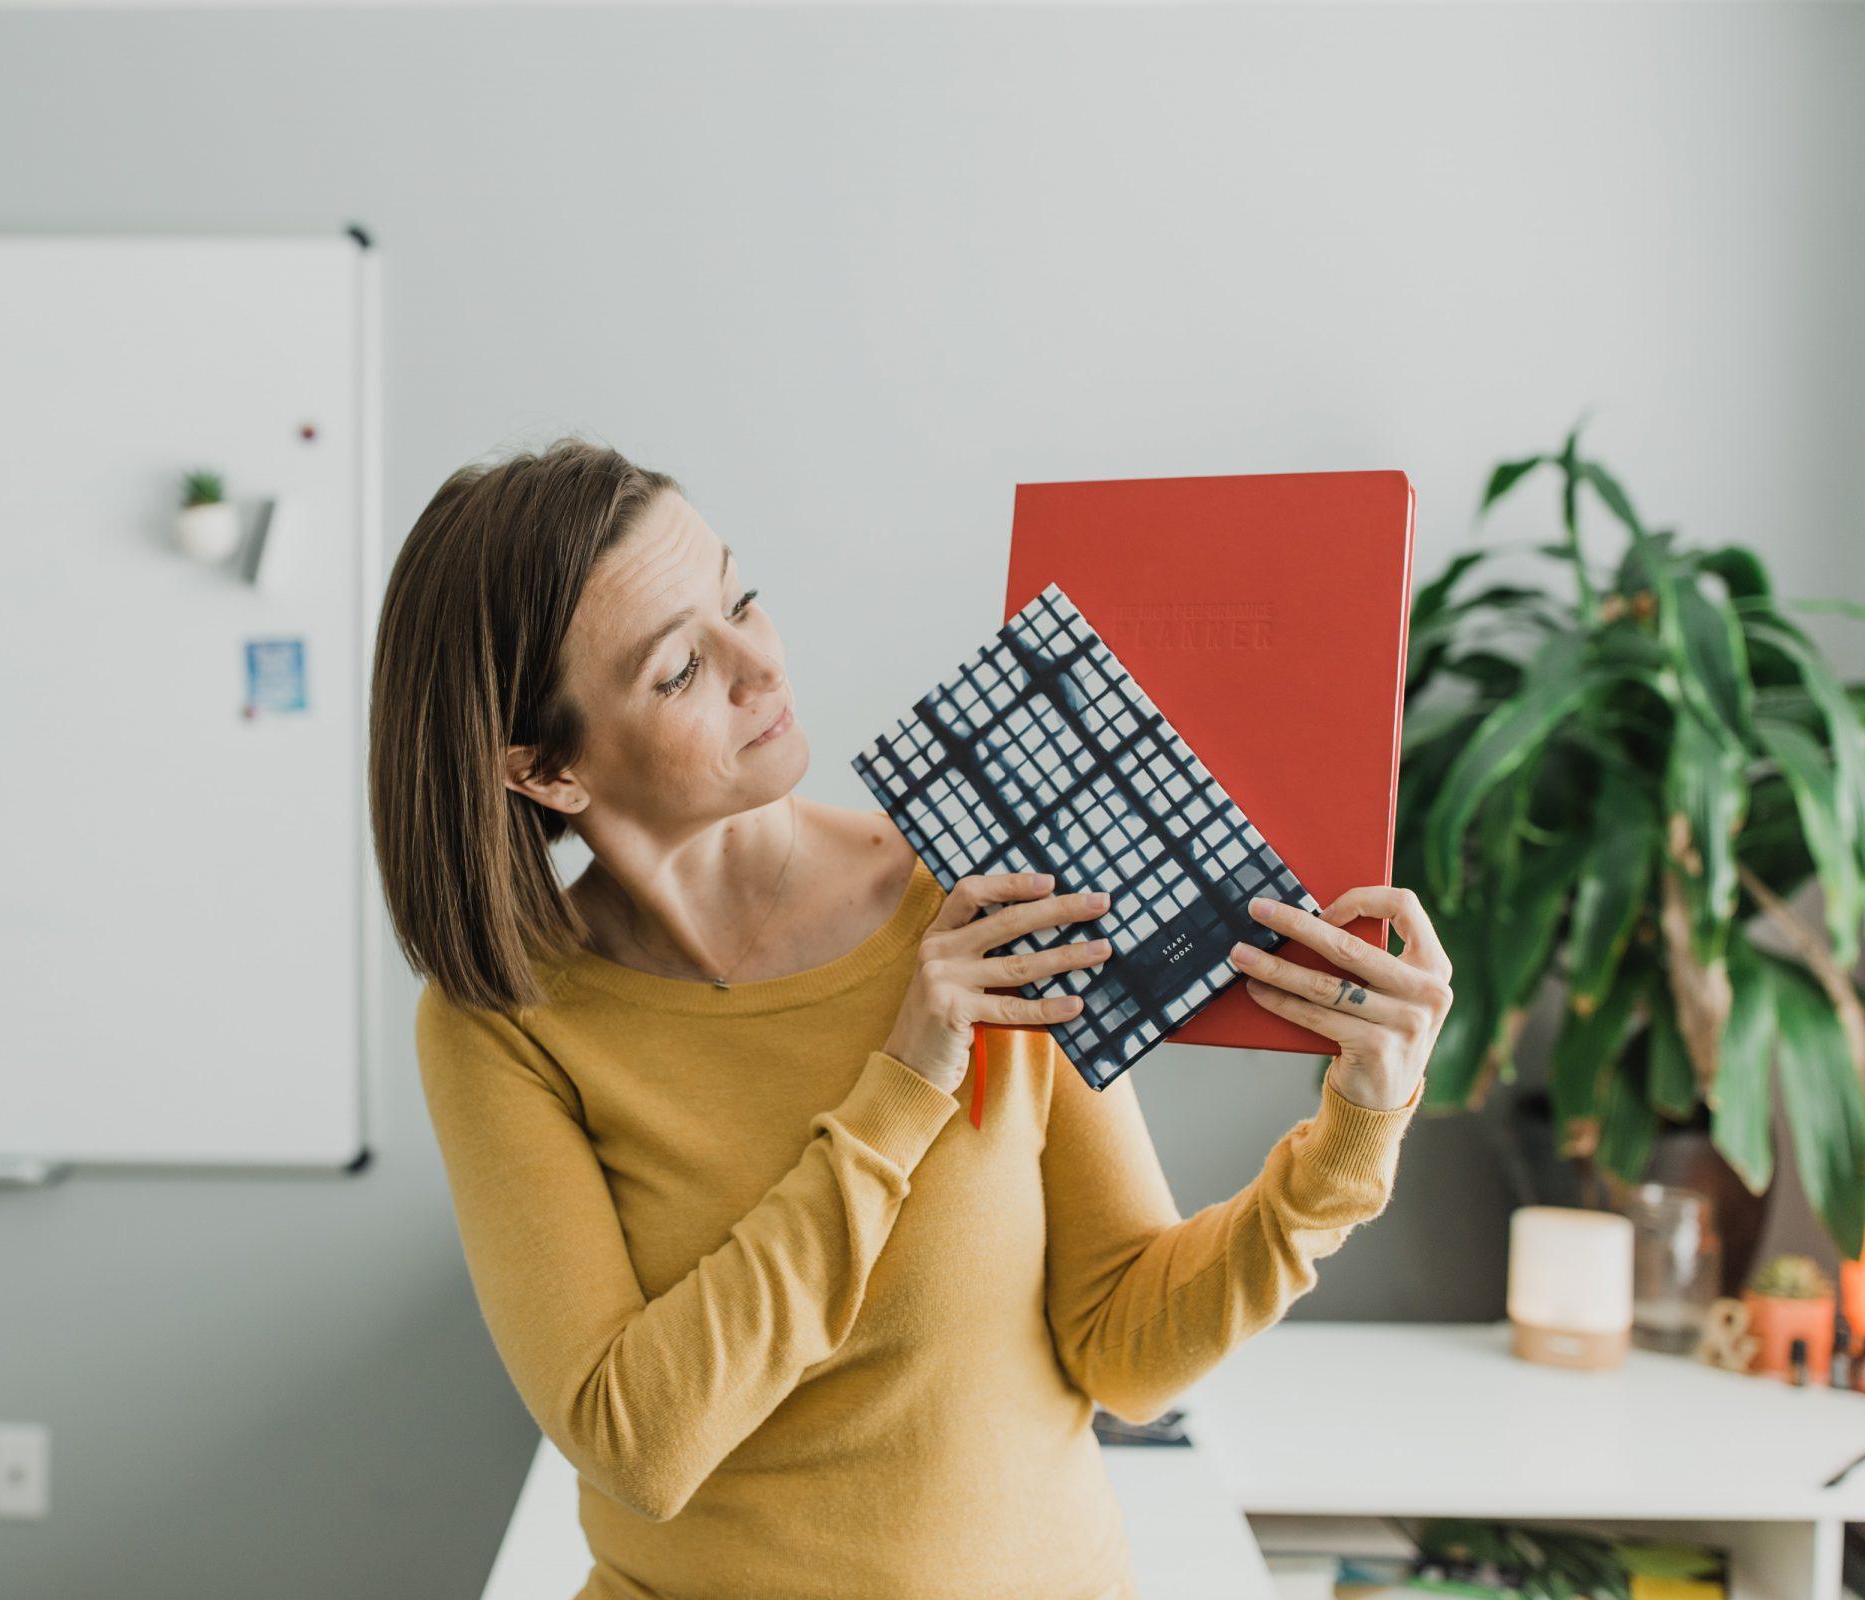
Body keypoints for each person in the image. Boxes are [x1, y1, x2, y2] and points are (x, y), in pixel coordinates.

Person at [370, 435, 1452, 1600]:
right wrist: (904, 1082)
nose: (761, 666)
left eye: (741, 596)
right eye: (681, 669)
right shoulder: (505, 1021)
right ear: (547, 772)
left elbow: (1124, 1345)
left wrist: (1357, 1127)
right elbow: (638, 1441)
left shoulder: (982, 894)